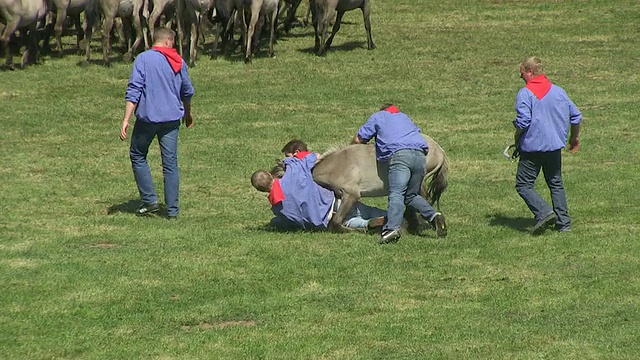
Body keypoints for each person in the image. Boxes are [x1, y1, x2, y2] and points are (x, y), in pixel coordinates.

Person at [119, 27, 195, 219]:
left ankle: (150, 200)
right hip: (171, 120)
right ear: (168, 41)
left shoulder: (143, 59)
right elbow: (186, 90)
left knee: (137, 154)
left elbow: (134, 90)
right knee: (170, 163)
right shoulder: (178, 61)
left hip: (148, 119)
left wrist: (126, 119)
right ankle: (172, 211)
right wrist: (188, 113)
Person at [353, 104, 447, 244]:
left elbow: (359, 139)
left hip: (400, 156)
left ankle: (392, 229)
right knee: (411, 195)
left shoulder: (379, 116)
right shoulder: (404, 117)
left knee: (397, 193)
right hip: (420, 156)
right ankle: (434, 216)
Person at [512, 56, 582, 234]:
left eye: (522, 73)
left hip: (532, 149)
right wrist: (574, 139)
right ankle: (564, 224)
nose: (521, 77)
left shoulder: (525, 93)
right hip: (554, 147)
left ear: (530, 72)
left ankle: (544, 212)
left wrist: (517, 135)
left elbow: (524, 121)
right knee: (555, 183)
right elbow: (576, 116)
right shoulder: (559, 91)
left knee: (523, 184)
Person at [251, 146, 386, 232]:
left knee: (351, 222)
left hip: (324, 222)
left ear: (261, 190)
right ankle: (390, 218)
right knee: (369, 211)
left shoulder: (277, 209)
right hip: (334, 204)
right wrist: (288, 161)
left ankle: (366, 224)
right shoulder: (293, 173)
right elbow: (309, 157)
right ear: (270, 174)